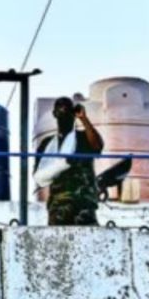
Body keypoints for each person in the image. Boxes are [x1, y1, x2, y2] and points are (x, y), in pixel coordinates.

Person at [33, 97, 105, 226]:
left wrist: (84, 119)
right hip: (59, 205)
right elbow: (39, 177)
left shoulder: (83, 138)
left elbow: (97, 146)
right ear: (55, 114)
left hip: (84, 203)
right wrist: (62, 165)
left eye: (67, 111)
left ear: (73, 114)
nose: (64, 115)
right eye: (60, 111)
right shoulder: (47, 144)